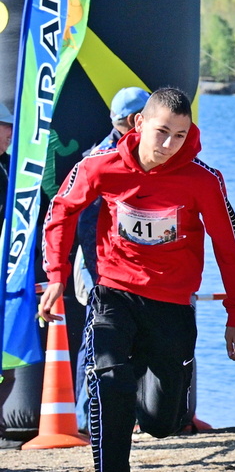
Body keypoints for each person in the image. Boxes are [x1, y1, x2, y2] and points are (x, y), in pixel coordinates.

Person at [40, 87, 235, 472]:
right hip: (114, 293)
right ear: (138, 126)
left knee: (160, 421)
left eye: (180, 134)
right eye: (162, 132)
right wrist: (57, 274)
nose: (170, 144)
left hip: (172, 305)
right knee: (109, 384)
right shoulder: (102, 165)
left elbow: (230, 249)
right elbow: (61, 211)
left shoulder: (203, 179)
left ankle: (147, 392)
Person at [71, 87, 151, 415]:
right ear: (135, 120)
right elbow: (87, 226)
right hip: (101, 269)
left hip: (127, 270)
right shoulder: (100, 159)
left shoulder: (142, 154)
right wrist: (105, 277)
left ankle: (124, 413)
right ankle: (85, 415)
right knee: (97, 340)